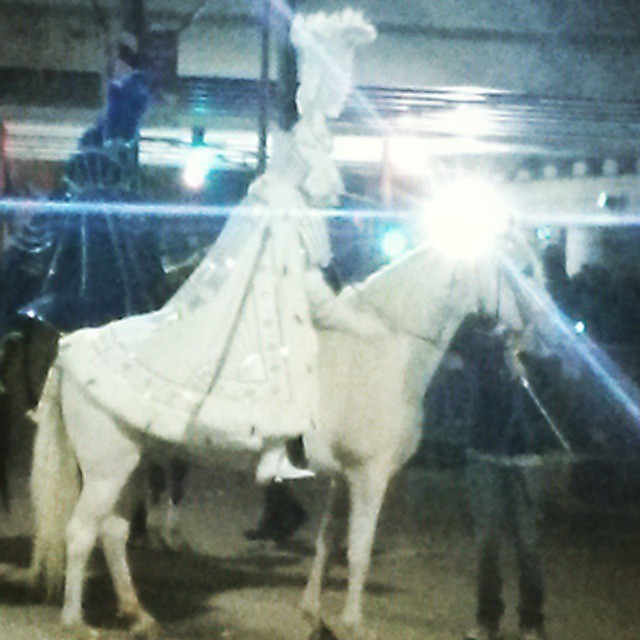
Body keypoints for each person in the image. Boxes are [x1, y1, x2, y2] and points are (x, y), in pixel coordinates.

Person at [447, 312, 560, 640]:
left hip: (527, 456)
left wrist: (526, 369)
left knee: (528, 543)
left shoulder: (543, 348)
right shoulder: (482, 340)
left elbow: (551, 400)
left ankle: (532, 620)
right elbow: (457, 345)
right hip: (485, 451)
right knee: (487, 541)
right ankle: (487, 618)